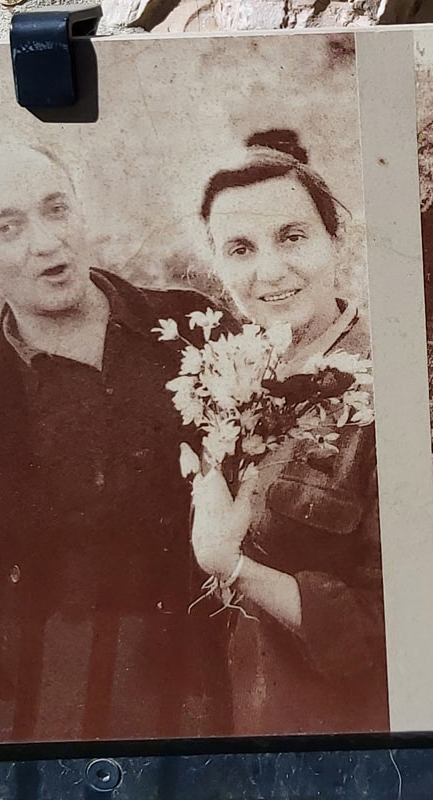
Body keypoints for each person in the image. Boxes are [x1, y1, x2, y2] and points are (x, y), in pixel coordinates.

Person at [0, 144, 231, 743]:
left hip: (223, 677)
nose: (45, 243)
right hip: (82, 708)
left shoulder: (194, 328)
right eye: (7, 229)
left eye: (56, 209)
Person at [191, 129, 389, 735]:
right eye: (241, 249)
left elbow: (394, 627)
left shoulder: (398, 385)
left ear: (338, 239)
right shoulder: (234, 371)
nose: (269, 271)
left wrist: (230, 564)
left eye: (293, 237)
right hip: (245, 714)